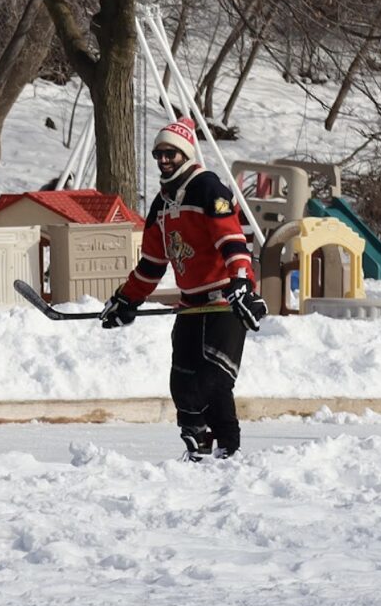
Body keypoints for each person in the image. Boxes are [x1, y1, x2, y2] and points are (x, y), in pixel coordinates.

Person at [101, 118, 265, 461]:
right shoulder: (161, 204)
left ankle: (229, 449)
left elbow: (232, 241)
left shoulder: (207, 188)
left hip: (224, 302)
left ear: (186, 154)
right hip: (191, 305)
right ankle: (201, 444)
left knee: (213, 379)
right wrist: (126, 299)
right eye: (158, 154)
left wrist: (241, 283)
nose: (163, 160)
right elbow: (151, 264)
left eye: (170, 153)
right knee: (183, 383)